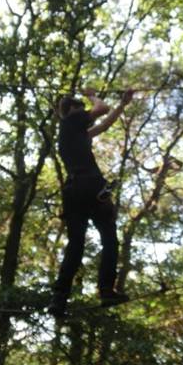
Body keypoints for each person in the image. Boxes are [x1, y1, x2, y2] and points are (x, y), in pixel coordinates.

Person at [48, 87, 134, 317]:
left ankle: (59, 299)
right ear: (72, 110)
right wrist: (91, 94)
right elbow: (102, 108)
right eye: (81, 108)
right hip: (91, 187)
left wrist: (123, 104)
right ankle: (105, 289)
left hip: (74, 191)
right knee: (109, 240)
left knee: (76, 245)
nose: (85, 112)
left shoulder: (74, 134)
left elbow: (104, 125)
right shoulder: (70, 121)